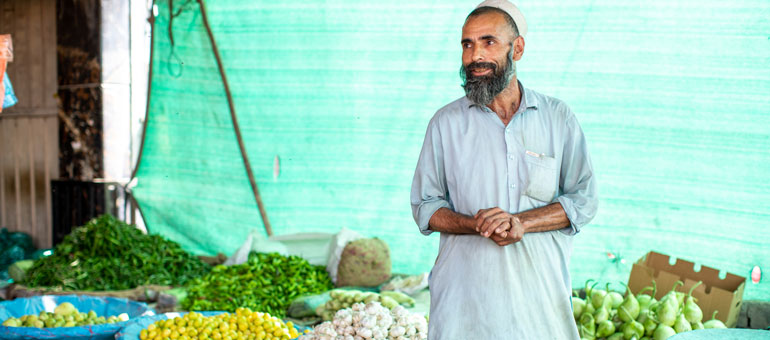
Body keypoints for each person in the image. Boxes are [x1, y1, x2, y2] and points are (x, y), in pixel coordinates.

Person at [410, 0, 598, 338]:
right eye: (467, 44)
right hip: (464, 309)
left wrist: (521, 223)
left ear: (518, 49)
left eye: (488, 42)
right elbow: (425, 206)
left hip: (541, 307)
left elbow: (584, 200)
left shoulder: (558, 117)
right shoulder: (445, 123)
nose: (475, 55)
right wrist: (473, 223)